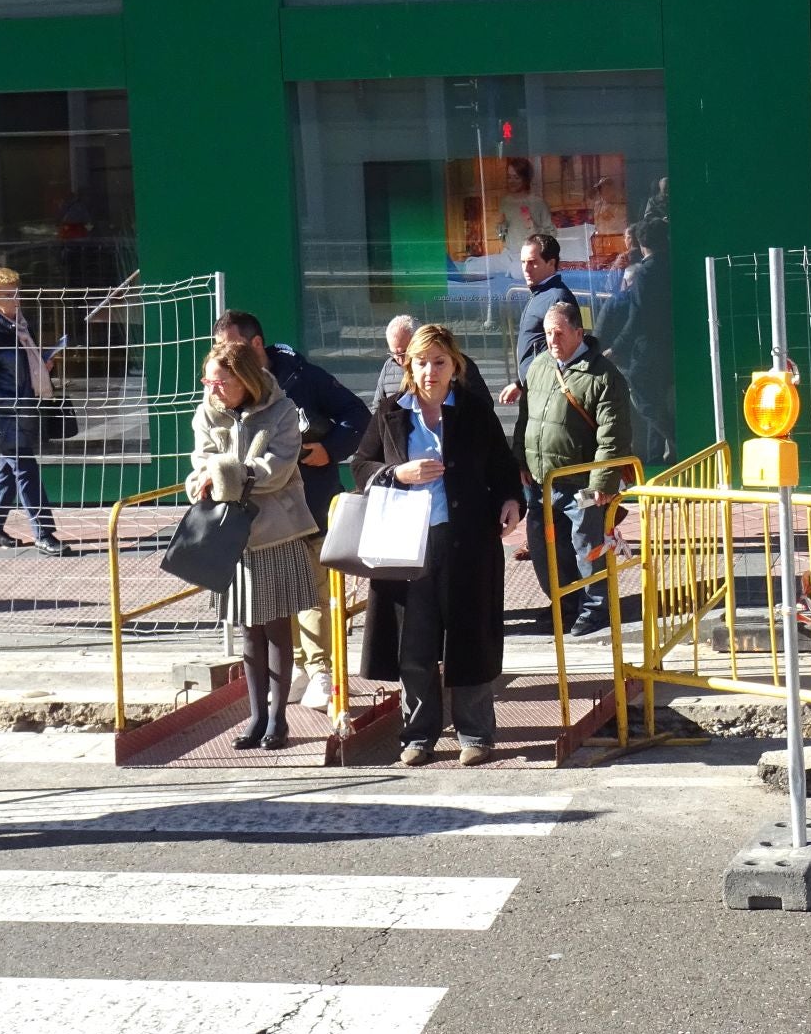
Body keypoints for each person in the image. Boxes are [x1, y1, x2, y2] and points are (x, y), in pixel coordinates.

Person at [351, 324, 523, 767]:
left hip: (466, 542)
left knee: (472, 638)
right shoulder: (391, 412)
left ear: (455, 365)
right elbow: (361, 465)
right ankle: (419, 735)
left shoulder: (474, 411)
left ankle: (475, 734)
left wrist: (510, 500)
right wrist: (397, 474)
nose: (430, 371)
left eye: (439, 362)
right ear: (409, 365)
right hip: (406, 543)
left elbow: (503, 467)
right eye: (422, 362)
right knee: (415, 644)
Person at [213, 310, 370, 711]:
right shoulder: (222, 394)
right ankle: (298, 667)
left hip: (310, 505)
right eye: (218, 349)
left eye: (231, 348)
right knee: (280, 598)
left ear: (256, 345)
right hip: (256, 521)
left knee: (315, 592)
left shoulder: (301, 377)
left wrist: (328, 450)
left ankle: (322, 670)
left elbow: (357, 416)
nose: (224, 358)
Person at [186, 340, 319, 752]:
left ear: (245, 379)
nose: (212, 387)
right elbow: (200, 462)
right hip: (233, 536)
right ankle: (256, 716)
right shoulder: (208, 410)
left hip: (276, 533)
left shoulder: (282, 411)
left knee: (278, 629)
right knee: (247, 632)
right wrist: (201, 482)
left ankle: (278, 720)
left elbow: (276, 472)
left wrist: (224, 472)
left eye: (220, 380)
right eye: (208, 379)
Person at [515, 301, 632, 636]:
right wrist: (520, 461)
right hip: (542, 482)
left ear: (578, 333)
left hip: (582, 484)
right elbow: (526, 420)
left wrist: (602, 482)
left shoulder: (603, 376)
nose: (552, 340)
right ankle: (564, 604)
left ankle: (595, 609)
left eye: (559, 333)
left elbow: (614, 435)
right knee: (546, 548)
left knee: (588, 546)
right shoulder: (539, 367)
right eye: (548, 333)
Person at [0, 266, 74, 557]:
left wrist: (41, 364)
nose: (16, 299)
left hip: (23, 410)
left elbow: (17, 367)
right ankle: (44, 533)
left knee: (8, 471)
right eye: (8, 294)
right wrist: (14, 402)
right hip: (5, 417)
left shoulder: (19, 328)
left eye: (17, 291)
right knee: (26, 469)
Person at [597, 217, 674, 463]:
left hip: (647, 349)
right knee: (657, 401)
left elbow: (637, 316)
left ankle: (676, 439)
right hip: (669, 346)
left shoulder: (645, 274)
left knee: (646, 404)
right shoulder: (672, 267)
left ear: (642, 245)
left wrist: (615, 347)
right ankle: (654, 457)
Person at [496, 233, 578, 407]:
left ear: (551, 263)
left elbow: (567, 352)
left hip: (548, 393)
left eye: (533, 262)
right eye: (523, 262)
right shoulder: (541, 294)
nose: (526, 268)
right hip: (535, 388)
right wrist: (520, 383)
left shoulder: (556, 297)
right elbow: (538, 346)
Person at [496, 158, 552, 264]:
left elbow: (551, 235)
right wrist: (501, 227)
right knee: (474, 265)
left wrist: (534, 228)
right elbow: (502, 237)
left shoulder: (538, 203)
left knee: (516, 272)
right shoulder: (505, 202)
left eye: (516, 177)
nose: (511, 181)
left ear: (526, 179)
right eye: (509, 177)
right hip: (507, 256)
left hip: (529, 256)